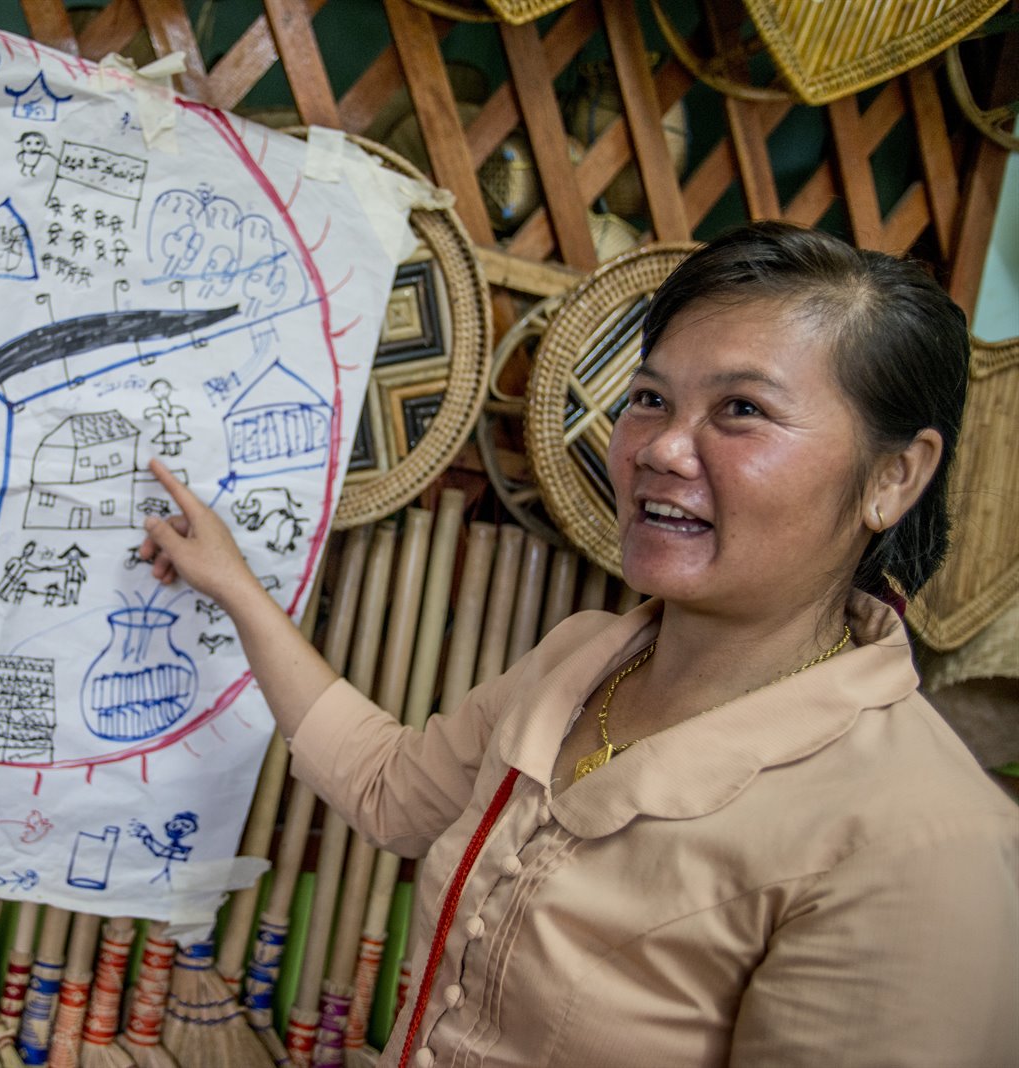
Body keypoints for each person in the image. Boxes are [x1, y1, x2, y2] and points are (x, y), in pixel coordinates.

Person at [138, 223, 1019, 1066]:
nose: (661, 448)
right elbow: (390, 790)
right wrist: (235, 589)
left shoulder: (921, 845)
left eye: (742, 410)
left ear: (894, 476)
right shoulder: (582, 659)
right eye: (649, 399)